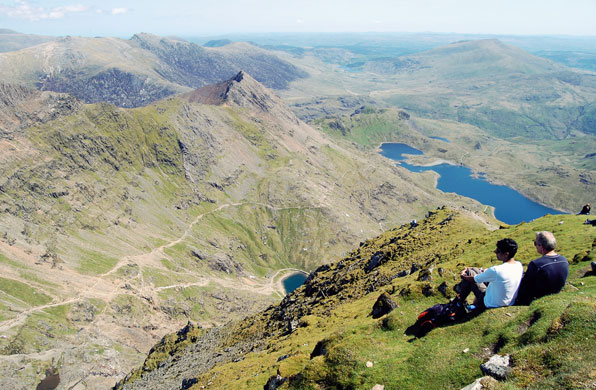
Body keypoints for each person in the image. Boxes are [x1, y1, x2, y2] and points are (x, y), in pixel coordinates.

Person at [456, 238, 523, 311]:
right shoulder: (519, 265)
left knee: (469, 273)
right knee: (474, 270)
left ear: (506, 254)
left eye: (498, 251)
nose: (495, 252)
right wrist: (477, 269)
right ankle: (462, 302)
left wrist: (463, 275)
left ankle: (459, 303)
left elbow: (475, 279)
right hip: (508, 301)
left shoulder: (496, 270)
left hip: (491, 303)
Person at [515, 231, 569, 305]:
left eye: (535, 244)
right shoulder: (564, 260)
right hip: (555, 295)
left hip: (537, 299)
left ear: (542, 246)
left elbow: (525, 286)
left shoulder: (536, 264)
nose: (535, 246)